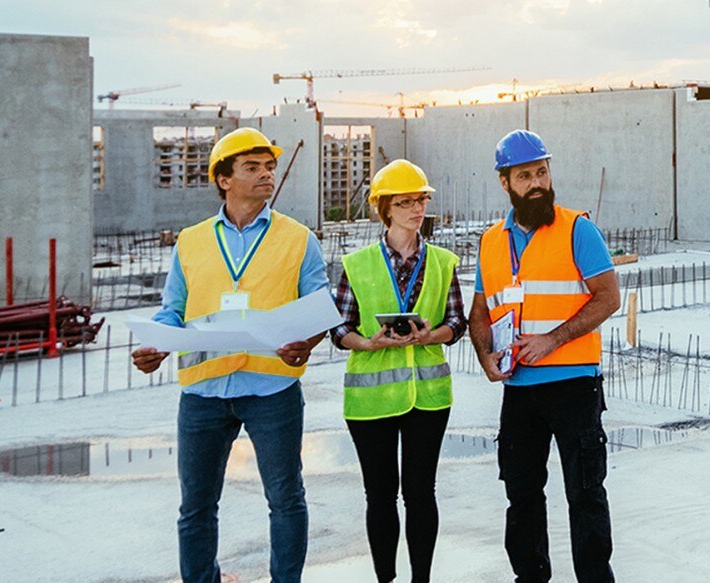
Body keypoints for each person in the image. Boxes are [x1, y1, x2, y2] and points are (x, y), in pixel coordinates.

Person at [130, 127, 328, 583]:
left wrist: (307, 344)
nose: (267, 175)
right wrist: (156, 346)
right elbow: (172, 309)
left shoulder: (299, 239)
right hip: (203, 389)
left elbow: (318, 309)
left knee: (285, 498)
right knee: (195, 506)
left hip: (271, 386)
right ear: (224, 178)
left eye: (269, 167)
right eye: (253, 168)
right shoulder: (192, 240)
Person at [468, 129, 620, 582]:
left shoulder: (578, 229)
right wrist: (485, 356)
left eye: (542, 172)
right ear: (505, 182)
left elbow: (608, 297)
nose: (537, 183)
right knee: (522, 495)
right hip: (518, 390)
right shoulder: (491, 242)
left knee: (585, 493)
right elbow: (480, 312)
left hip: (573, 384)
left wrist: (551, 340)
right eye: (525, 176)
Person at [331, 159, 466, 583]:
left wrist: (430, 336)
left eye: (421, 199)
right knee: (381, 496)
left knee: (421, 494)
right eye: (405, 201)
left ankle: (421, 578)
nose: (416, 208)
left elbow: (457, 322)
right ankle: (386, 578)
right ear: (385, 209)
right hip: (370, 401)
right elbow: (339, 328)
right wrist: (369, 343)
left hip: (427, 398)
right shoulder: (357, 264)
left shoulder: (443, 262)